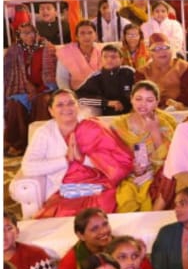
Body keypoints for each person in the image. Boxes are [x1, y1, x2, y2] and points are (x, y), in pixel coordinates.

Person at [26, 89, 132, 217]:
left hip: (98, 185)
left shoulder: (93, 127)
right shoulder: (44, 133)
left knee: (105, 206)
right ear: (51, 111)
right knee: (64, 212)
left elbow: (120, 161)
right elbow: (28, 168)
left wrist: (83, 159)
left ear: (78, 106)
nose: (66, 108)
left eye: (71, 103)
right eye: (60, 105)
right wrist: (65, 159)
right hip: (65, 190)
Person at [107, 80, 177, 212]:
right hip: (128, 176)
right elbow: (112, 156)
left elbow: (170, 158)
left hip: (156, 175)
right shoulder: (119, 125)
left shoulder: (165, 123)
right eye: (138, 99)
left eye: (149, 100)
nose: (143, 104)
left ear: (157, 102)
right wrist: (130, 167)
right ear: (131, 99)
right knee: (125, 196)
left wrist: (155, 131)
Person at [4, 20, 57, 155]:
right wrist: (26, 87)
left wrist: (38, 90)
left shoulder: (47, 48)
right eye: (24, 33)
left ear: (36, 33)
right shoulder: (13, 51)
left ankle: (41, 145)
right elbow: (8, 75)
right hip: (21, 90)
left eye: (31, 32)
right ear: (19, 35)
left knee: (43, 101)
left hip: (45, 88)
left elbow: (52, 74)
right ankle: (18, 144)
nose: (29, 36)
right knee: (14, 104)